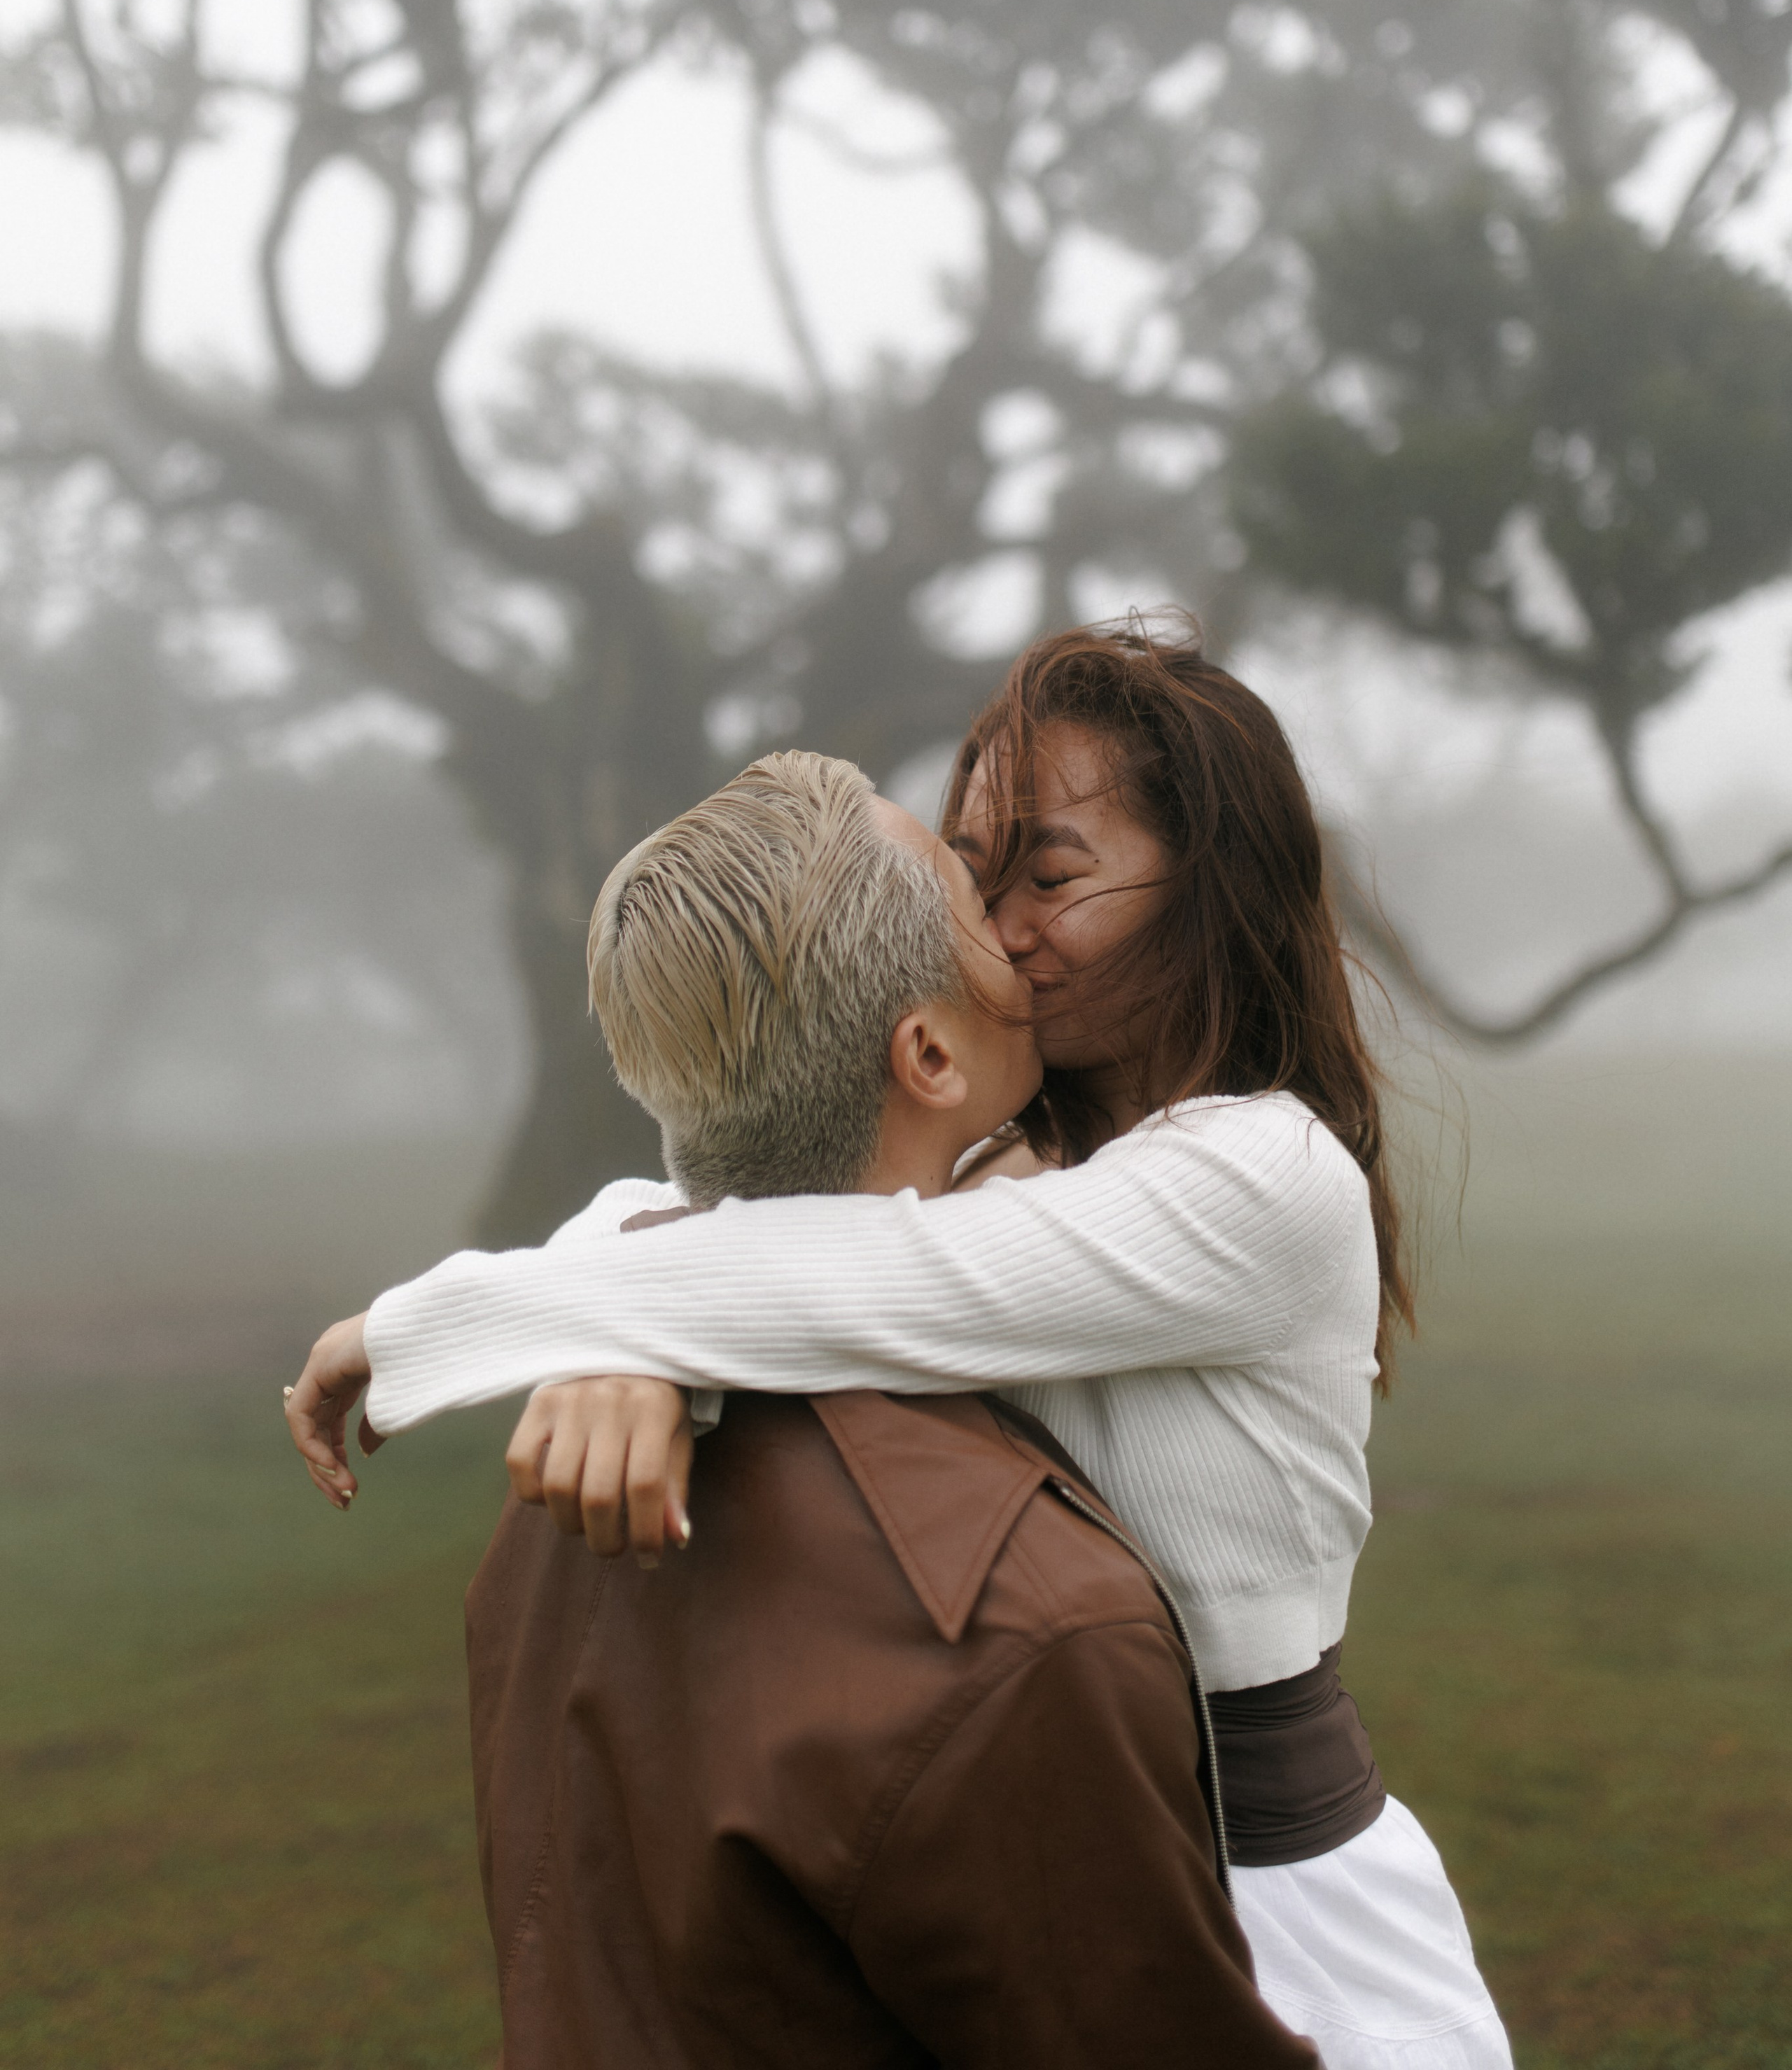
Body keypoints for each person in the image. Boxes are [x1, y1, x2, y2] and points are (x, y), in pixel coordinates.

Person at [288, 617, 1513, 2070]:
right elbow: (710, 1214)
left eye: (1049, 877)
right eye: (973, 868)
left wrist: (431, 1326)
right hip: (1063, 1867)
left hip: (1293, 1911)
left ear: (1210, 893)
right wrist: (628, 1354)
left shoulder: (1256, 1183)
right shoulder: (1003, 1151)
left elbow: (854, 1265)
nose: (992, 929)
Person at [463, 749, 1318, 2066]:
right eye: (972, 902)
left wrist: (605, 1317)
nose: (1016, 935)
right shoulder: (1025, 1626)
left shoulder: (547, 1523)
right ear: (924, 1053)